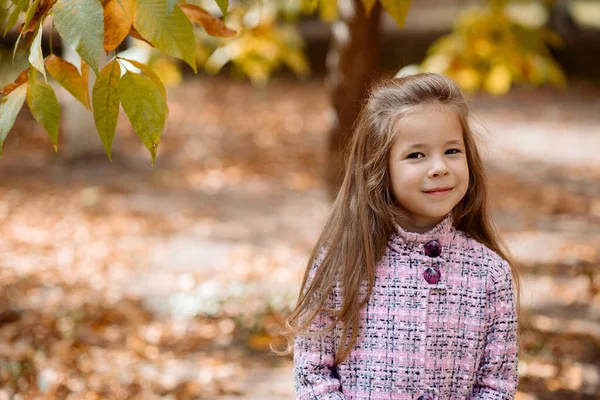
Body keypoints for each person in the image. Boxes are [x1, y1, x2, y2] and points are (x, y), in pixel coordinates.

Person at [276, 73, 520, 399]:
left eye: (451, 151)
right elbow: (313, 374)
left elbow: (496, 383)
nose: (439, 167)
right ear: (380, 168)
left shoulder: (489, 273)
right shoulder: (343, 262)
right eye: (416, 155)